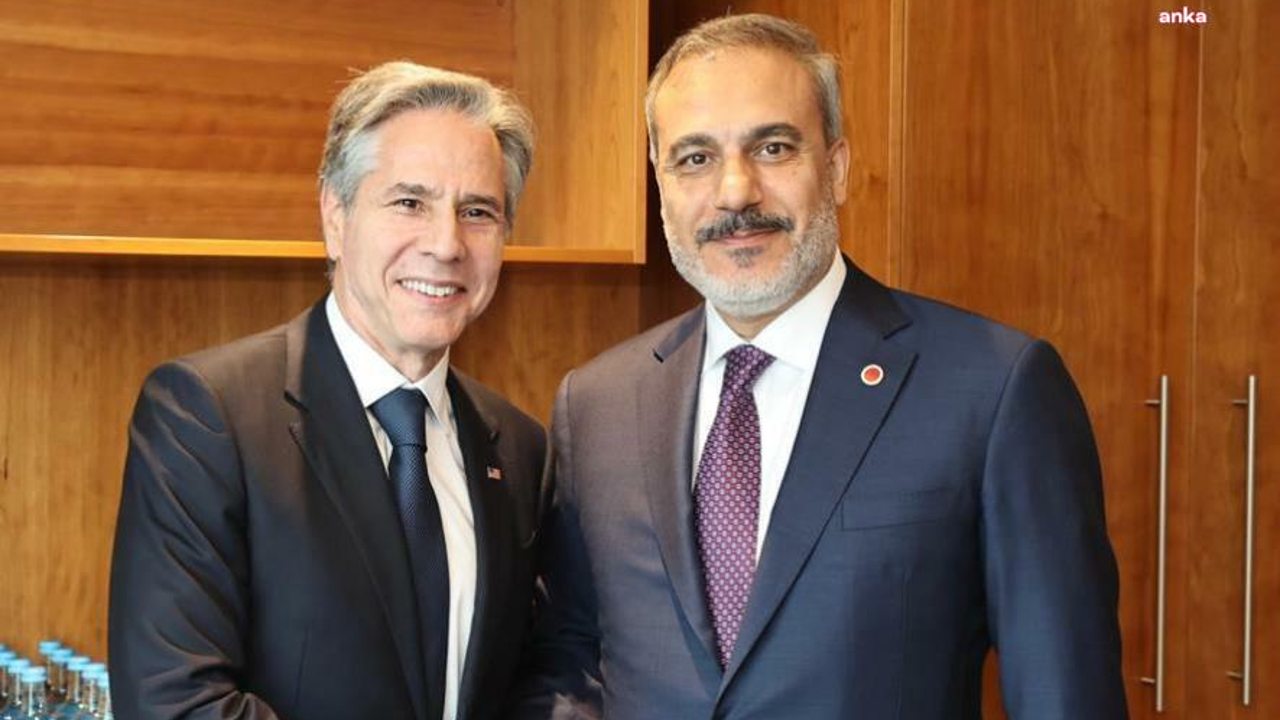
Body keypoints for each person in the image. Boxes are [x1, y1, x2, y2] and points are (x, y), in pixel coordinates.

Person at [514, 14, 1128, 719]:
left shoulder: (992, 389)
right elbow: (570, 666)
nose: (735, 193)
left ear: (835, 168)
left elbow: (1063, 694)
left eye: (772, 148)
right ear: (660, 182)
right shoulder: (597, 405)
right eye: (695, 158)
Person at [109, 61, 545, 720]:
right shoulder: (207, 416)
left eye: (477, 211)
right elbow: (175, 703)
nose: (446, 244)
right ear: (335, 216)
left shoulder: (520, 449)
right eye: (409, 202)